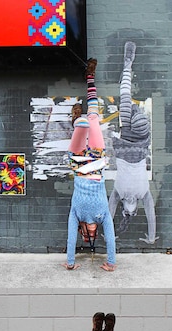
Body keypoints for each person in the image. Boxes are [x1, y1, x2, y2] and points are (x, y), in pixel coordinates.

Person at [63, 59, 117, 272]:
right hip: (96, 162)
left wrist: (70, 262)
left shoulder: (76, 214)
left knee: (74, 151)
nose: (93, 234)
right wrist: (111, 263)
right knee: (94, 117)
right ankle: (90, 78)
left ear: (83, 231)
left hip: (79, 165)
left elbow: (69, 237)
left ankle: (78, 125)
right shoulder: (103, 213)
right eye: (94, 235)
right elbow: (111, 237)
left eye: (88, 235)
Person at [109, 41, 157, 244]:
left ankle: (128, 67)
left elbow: (150, 216)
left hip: (139, 143)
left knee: (135, 114)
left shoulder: (143, 193)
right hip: (125, 143)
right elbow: (109, 213)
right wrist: (109, 236)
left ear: (135, 206)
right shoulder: (118, 192)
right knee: (125, 98)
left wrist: (152, 238)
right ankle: (127, 66)